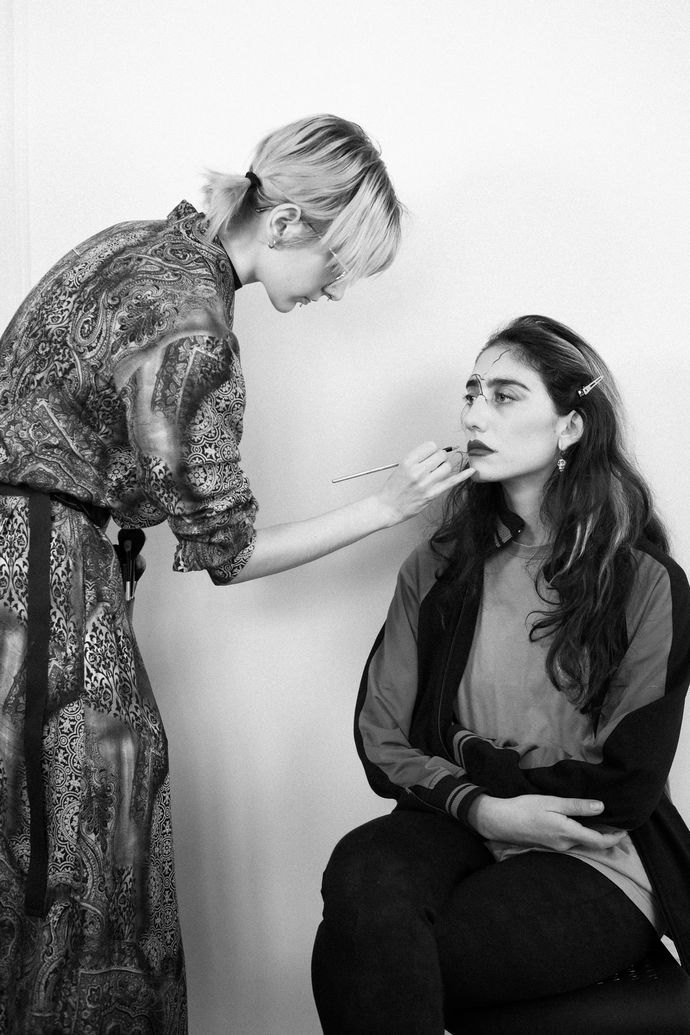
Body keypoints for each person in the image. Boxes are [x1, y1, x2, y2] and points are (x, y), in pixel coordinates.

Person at [0, 114, 472, 1035]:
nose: (335, 289)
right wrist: (389, 506)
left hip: (27, 572)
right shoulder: (195, 325)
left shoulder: (128, 246)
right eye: (337, 264)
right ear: (288, 221)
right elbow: (231, 550)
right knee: (96, 855)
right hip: (45, 588)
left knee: (32, 859)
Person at [311, 315, 690, 1035]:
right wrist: (485, 809)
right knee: (361, 870)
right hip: (461, 820)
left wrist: (464, 759)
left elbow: (628, 781)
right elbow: (381, 737)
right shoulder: (438, 566)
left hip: (593, 850)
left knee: (373, 957)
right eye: (471, 393)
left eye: (505, 395)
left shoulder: (647, 583)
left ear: (571, 426)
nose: (473, 415)